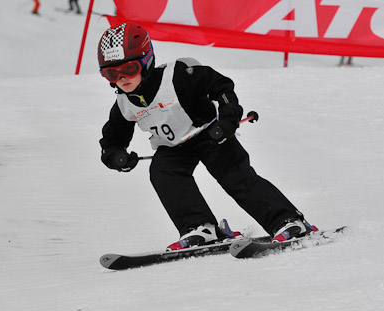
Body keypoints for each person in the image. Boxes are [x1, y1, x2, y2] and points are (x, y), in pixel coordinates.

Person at [97, 22, 316, 250]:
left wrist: (228, 118)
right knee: (163, 173)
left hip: (210, 134)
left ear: (147, 60)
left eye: (129, 69)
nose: (122, 78)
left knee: (235, 177)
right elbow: (112, 138)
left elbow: (221, 87)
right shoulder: (123, 104)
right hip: (173, 148)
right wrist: (115, 156)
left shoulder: (178, 76)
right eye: (111, 73)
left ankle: (288, 220)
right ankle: (199, 227)